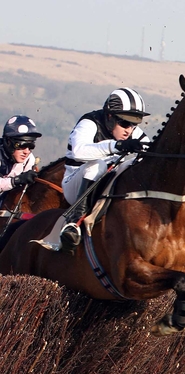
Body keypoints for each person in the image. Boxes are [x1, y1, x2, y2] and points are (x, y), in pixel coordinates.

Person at [58, 88, 151, 254]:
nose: (129, 130)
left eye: (134, 125)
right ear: (109, 117)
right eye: (124, 123)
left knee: (133, 166)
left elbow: (151, 154)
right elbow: (79, 151)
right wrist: (116, 146)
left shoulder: (131, 131)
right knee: (97, 165)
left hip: (107, 184)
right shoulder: (89, 122)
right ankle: (73, 224)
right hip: (75, 183)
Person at [0, 115, 41, 196]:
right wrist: (16, 181)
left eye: (31, 147)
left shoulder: (29, 159)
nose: (27, 152)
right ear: (8, 142)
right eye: (22, 146)